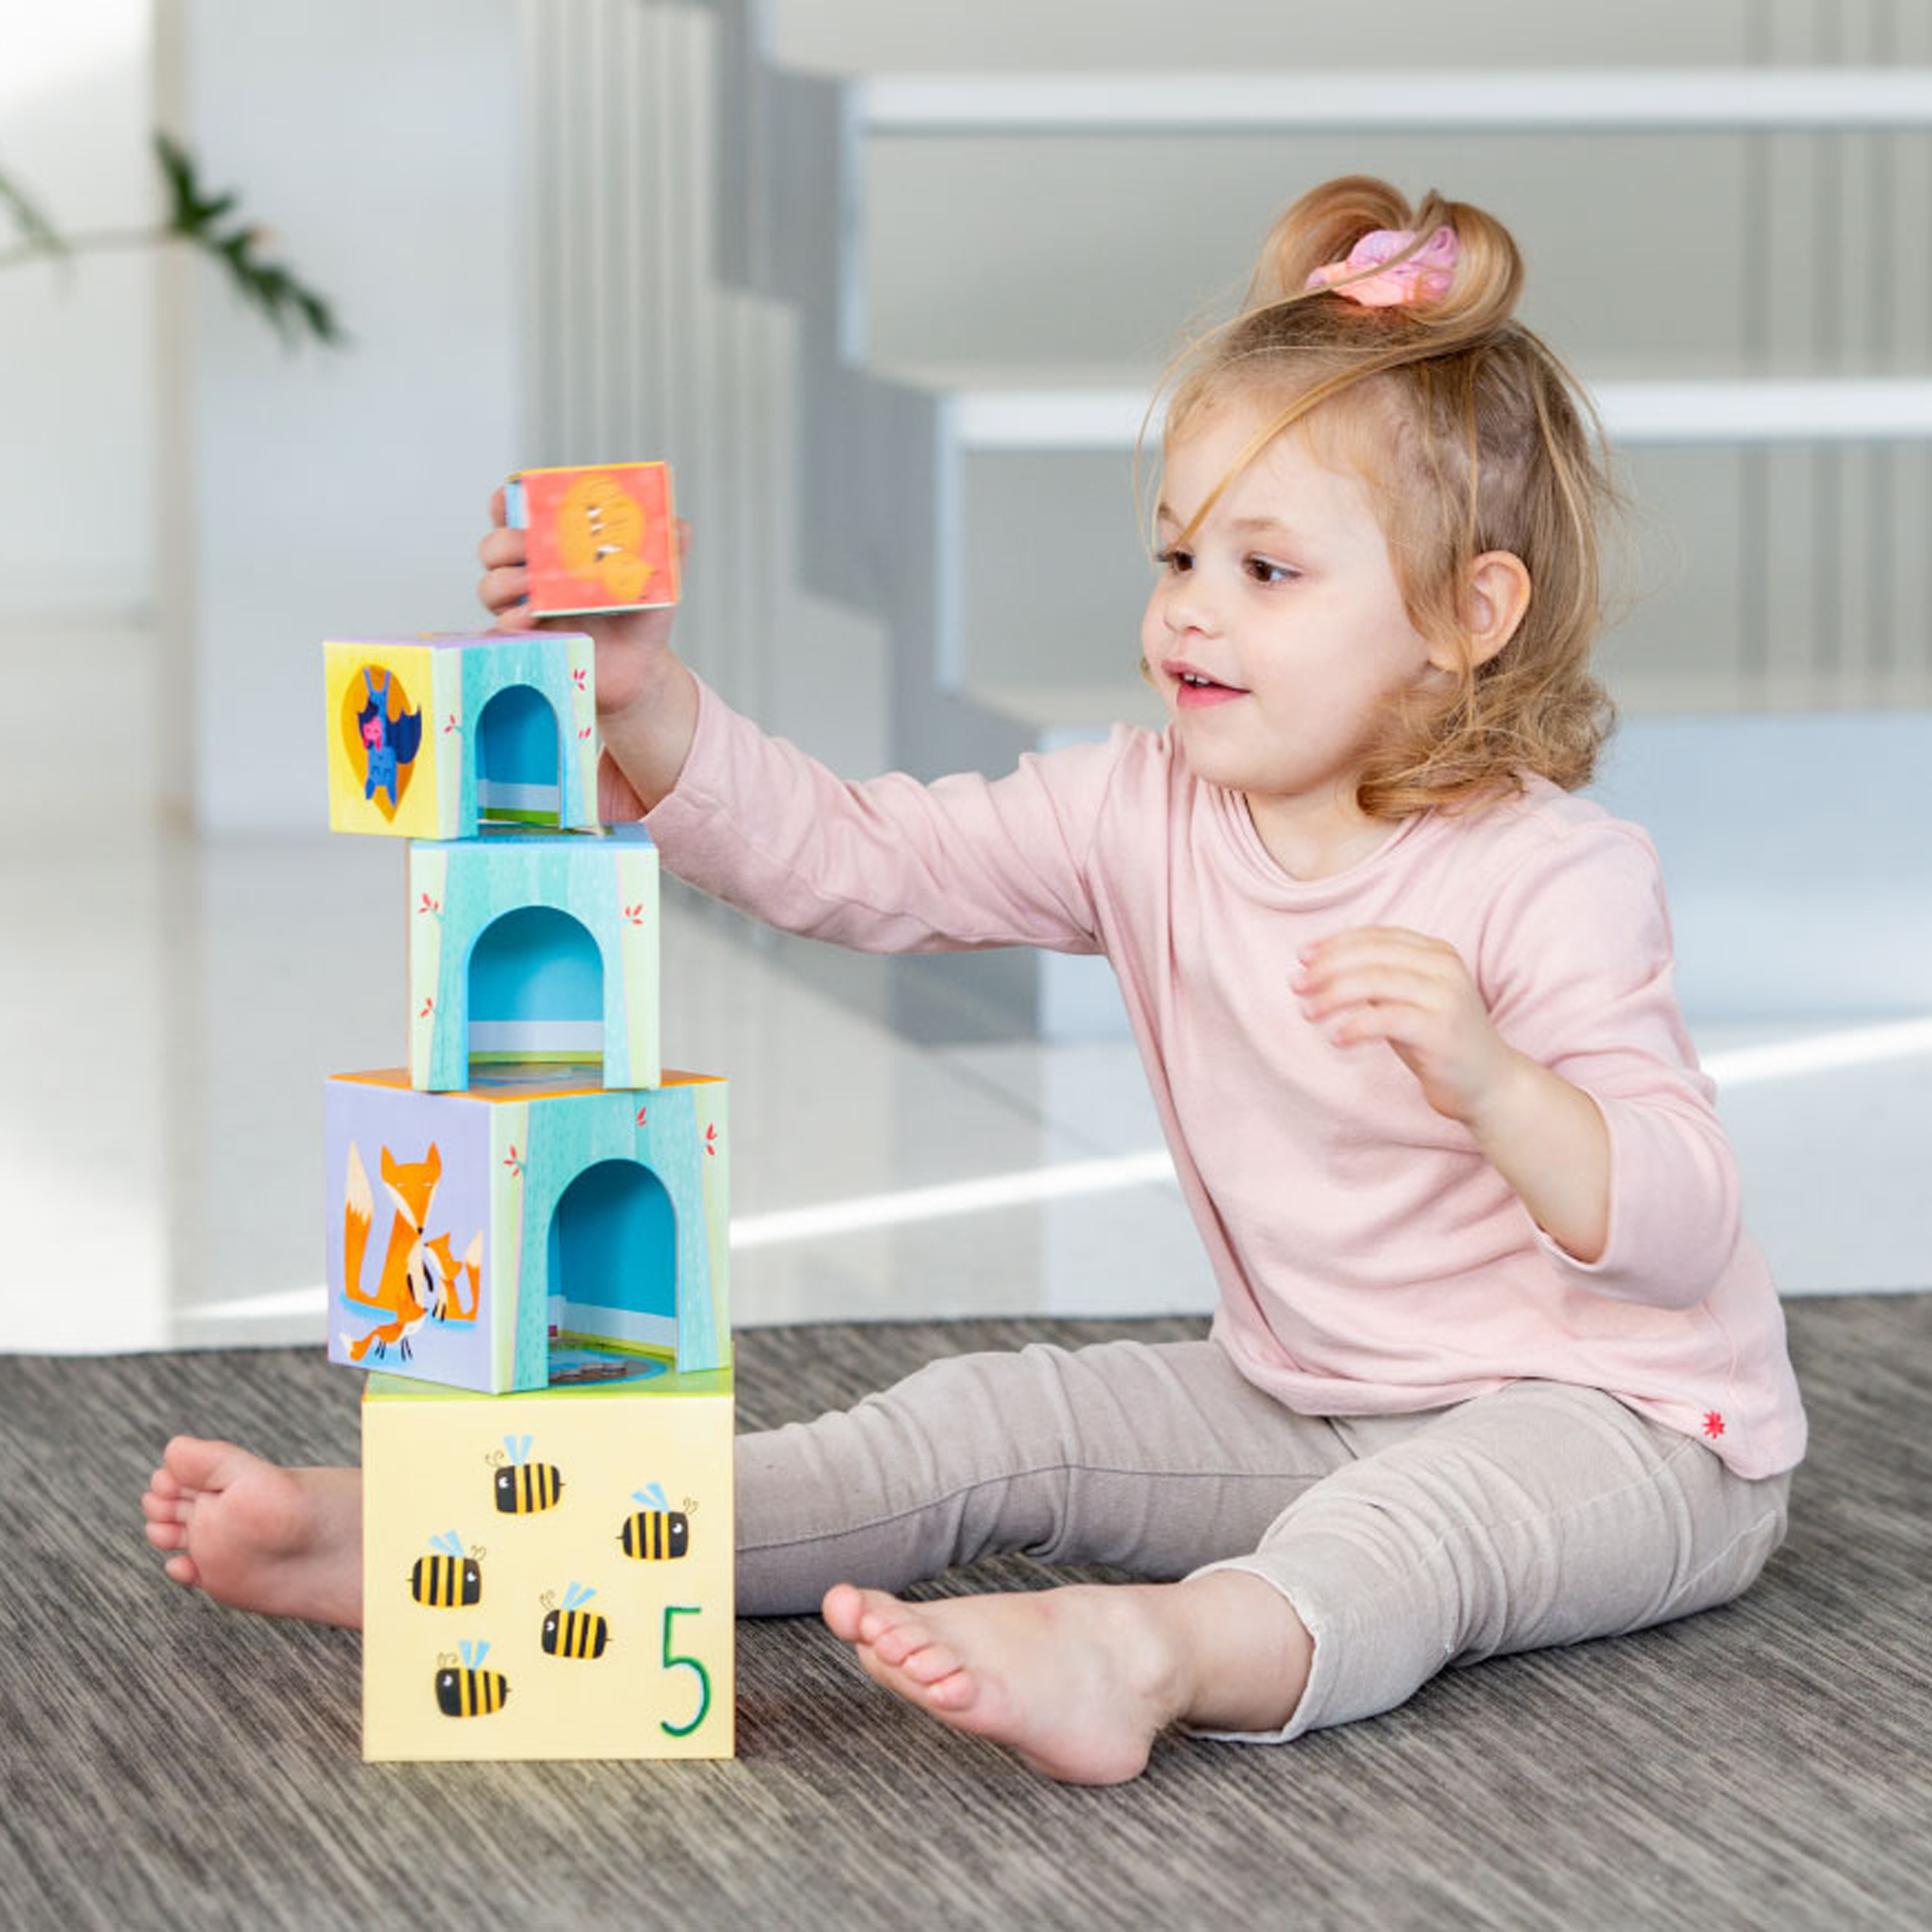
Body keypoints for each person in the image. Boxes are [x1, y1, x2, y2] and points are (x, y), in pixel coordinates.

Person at [144, 176, 1806, 1785]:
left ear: (1465, 613)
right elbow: (862, 857)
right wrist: (642, 702)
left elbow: (1678, 1223)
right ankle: (470, 1534)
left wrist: (1497, 1081)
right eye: (1176, 557)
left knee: (1405, 1535)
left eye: (1266, 571)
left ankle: (1146, 1655)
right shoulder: (1140, 807)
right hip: (1307, 1400)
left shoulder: (1551, 873)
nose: (1188, 615)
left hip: (1631, 1429)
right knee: (986, 1419)